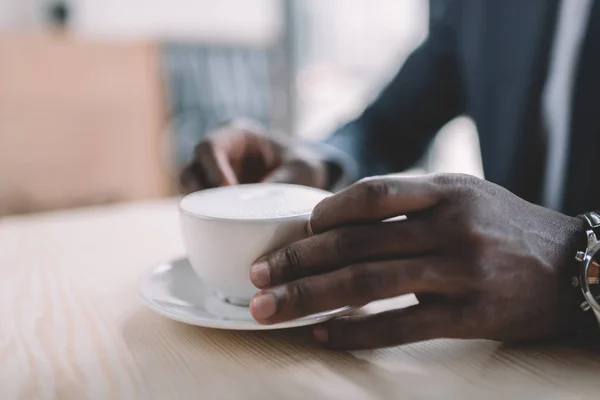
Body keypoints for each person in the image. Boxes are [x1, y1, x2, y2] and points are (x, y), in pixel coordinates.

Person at [179, 0, 600, 350]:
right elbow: (386, 126)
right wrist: (319, 162)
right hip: (500, 360)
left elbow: (560, 257)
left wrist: (573, 261)